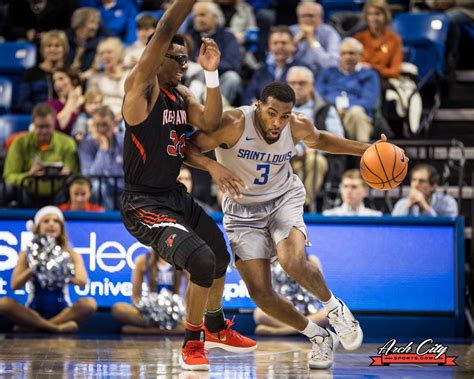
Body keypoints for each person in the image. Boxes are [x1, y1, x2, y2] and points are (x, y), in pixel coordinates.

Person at [188, 82, 387, 369]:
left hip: (283, 198)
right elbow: (188, 148)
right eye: (272, 113)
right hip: (242, 210)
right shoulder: (233, 123)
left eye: (284, 115)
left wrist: (367, 149)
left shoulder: (296, 125)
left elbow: (321, 141)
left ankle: (335, 309)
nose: (278, 122)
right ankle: (318, 336)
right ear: (258, 106)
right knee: (261, 295)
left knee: (292, 260)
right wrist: (212, 166)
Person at [119, 0, 256, 371]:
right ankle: (192, 341)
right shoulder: (141, 90)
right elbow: (164, 29)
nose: (183, 65)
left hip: (173, 196)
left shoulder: (182, 95)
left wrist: (211, 75)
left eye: (186, 59)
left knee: (219, 256)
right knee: (200, 259)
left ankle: (214, 326)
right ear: (156, 57)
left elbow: (210, 124)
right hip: (142, 203)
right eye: (176, 58)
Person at [0, 206, 97, 333]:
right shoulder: (27, 253)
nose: (51, 224)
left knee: (89, 304)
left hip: (63, 310)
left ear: (61, 228)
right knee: (4, 303)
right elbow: (15, 285)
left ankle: (36, 326)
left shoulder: (71, 254)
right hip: (33, 310)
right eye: (46, 221)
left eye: (56, 221)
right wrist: (35, 268)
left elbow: (82, 282)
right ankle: (55, 328)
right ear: (38, 227)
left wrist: (60, 271)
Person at [3, 103, 79, 205]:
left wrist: (67, 174)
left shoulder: (67, 143)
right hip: (27, 193)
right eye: (39, 127)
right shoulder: (19, 142)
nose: (43, 131)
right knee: (7, 189)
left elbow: (76, 174)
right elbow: (9, 176)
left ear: (54, 124)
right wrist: (28, 176)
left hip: (59, 193)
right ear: (33, 125)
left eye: (47, 126)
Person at [316, 38, 380, 143]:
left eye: (351, 53)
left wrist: (345, 108)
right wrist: (335, 107)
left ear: (360, 56)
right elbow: (318, 95)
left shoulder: (369, 75)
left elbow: (369, 101)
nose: (347, 57)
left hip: (356, 115)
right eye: (343, 53)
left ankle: (362, 155)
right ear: (339, 56)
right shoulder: (328, 73)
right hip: (331, 112)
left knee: (356, 113)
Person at [111, 249, 187, 334]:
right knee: (118, 308)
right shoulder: (142, 260)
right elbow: (135, 297)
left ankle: (142, 330)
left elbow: (192, 289)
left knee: (196, 320)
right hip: (150, 312)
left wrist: (183, 312)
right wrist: (145, 310)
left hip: (173, 314)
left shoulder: (182, 261)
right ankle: (169, 329)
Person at [253, 255, 329, 335]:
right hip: (285, 312)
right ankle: (307, 329)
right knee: (259, 314)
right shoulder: (270, 262)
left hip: (309, 311)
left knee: (327, 314)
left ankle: (280, 332)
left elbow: (319, 287)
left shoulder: (312, 260)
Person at [16, 30, 69, 114]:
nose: (53, 49)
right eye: (48, 46)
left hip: (64, 116)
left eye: (57, 46)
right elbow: (23, 102)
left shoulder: (70, 72)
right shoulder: (30, 73)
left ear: (64, 49)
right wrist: (40, 114)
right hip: (37, 117)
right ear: (42, 50)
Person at [354, 0, 403, 81]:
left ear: (386, 15)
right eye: (370, 14)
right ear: (366, 16)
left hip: (382, 80)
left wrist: (373, 69)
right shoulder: (358, 39)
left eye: (377, 13)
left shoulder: (395, 40)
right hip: (360, 80)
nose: (374, 18)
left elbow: (394, 72)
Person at [290, 2, 340, 76]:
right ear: (298, 17)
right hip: (293, 75)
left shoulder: (330, 33)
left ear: (320, 17)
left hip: (321, 75)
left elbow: (331, 64)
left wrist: (312, 40)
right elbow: (274, 60)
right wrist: (295, 42)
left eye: (311, 16)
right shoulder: (291, 31)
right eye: (304, 16)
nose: (307, 19)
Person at [392, 164, 458, 217]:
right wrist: (407, 207)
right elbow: (393, 229)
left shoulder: (448, 204)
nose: (416, 185)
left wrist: (424, 207)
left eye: (422, 181)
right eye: (414, 180)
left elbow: (444, 230)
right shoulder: (401, 204)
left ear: (433, 186)